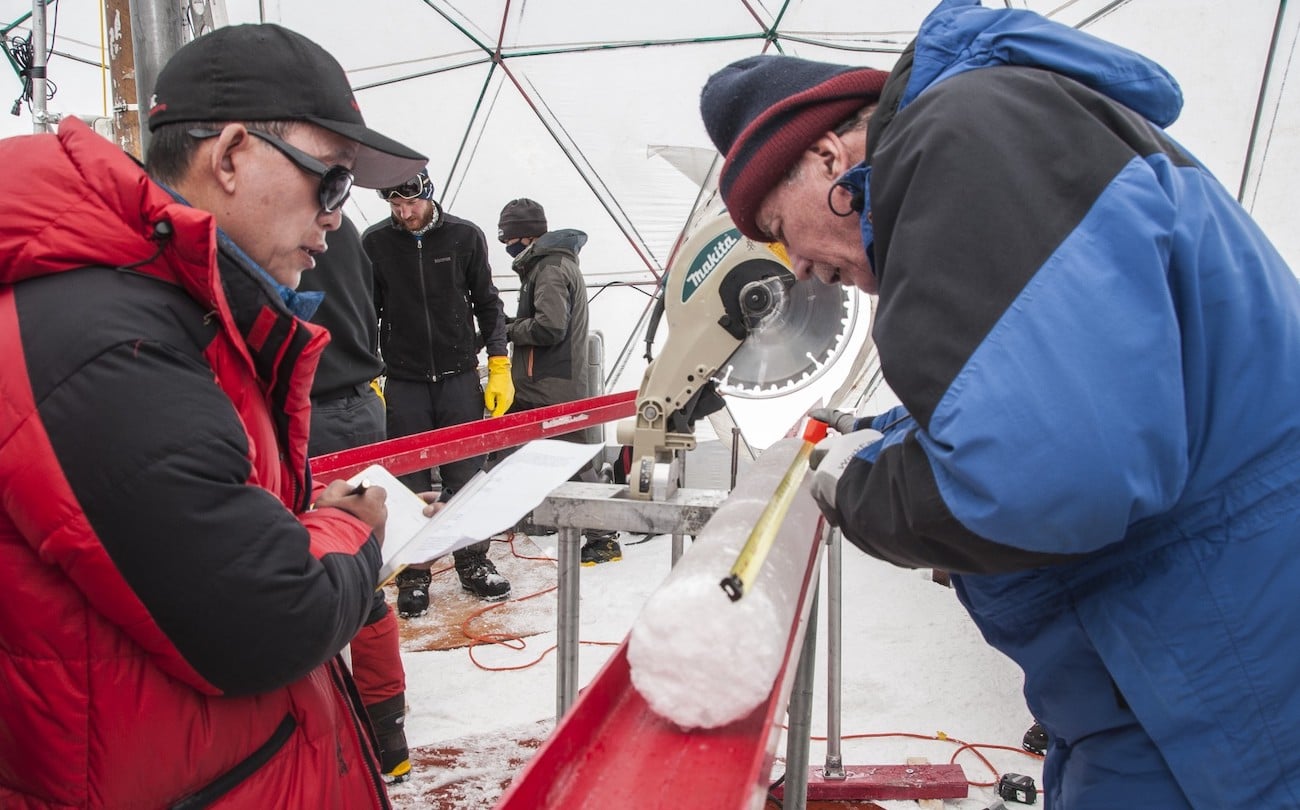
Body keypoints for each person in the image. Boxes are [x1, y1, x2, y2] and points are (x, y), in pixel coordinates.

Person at [698, 1, 1300, 807]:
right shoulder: (988, 135)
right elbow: (1066, 379)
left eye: (779, 227)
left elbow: (1046, 475)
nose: (797, 268)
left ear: (826, 154)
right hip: (1182, 654)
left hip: (1214, 683)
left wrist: (862, 491)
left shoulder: (967, 136)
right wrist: (888, 437)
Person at [0, 23, 427, 808]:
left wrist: (291, 519)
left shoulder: (168, 306)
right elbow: (271, 613)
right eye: (330, 180)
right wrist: (359, 529)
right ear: (229, 155)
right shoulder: (104, 338)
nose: (336, 218)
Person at [363, 169, 514, 613]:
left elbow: (488, 302)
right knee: (410, 481)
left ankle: (473, 562)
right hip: (404, 380)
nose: (403, 213)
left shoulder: (464, 237)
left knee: (464, 475)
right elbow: (366, 312)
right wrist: (370, 372)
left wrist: (500, 363)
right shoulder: (375, 244)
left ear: (427, 195)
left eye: (409, 204)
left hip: (458, 377)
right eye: (395, 207)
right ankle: (415, 571)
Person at [299, 213, 411, 783]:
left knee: (328, 571)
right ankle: (388, 731)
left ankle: (362, 737)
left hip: (314, 410)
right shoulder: (343, 230)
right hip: (363, 403)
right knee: (364, 576)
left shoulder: (278, 224)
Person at [496, 198, 621, 565]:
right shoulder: (550, 263)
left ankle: (604, 537)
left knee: (574, 462)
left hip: (551, 384)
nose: (506, 246)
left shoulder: (549, 267)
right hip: (545, 382)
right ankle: (508, 520)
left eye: (508, 239)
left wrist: (508, 329)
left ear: (524, 236)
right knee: (509, 447)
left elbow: (550, 327)